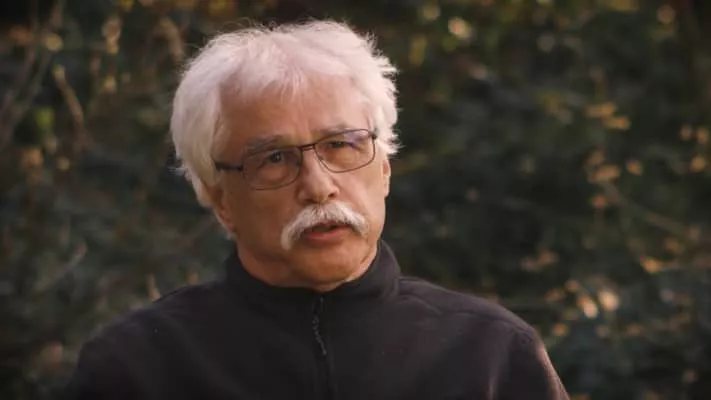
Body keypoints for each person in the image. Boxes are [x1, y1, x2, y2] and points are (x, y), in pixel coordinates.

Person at [64, 19, 569, 400]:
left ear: (385, 168)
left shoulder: (491, 356)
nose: (318, 187)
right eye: (274, 159)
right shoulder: (137, 369)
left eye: (342, 145)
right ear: (220, 199)